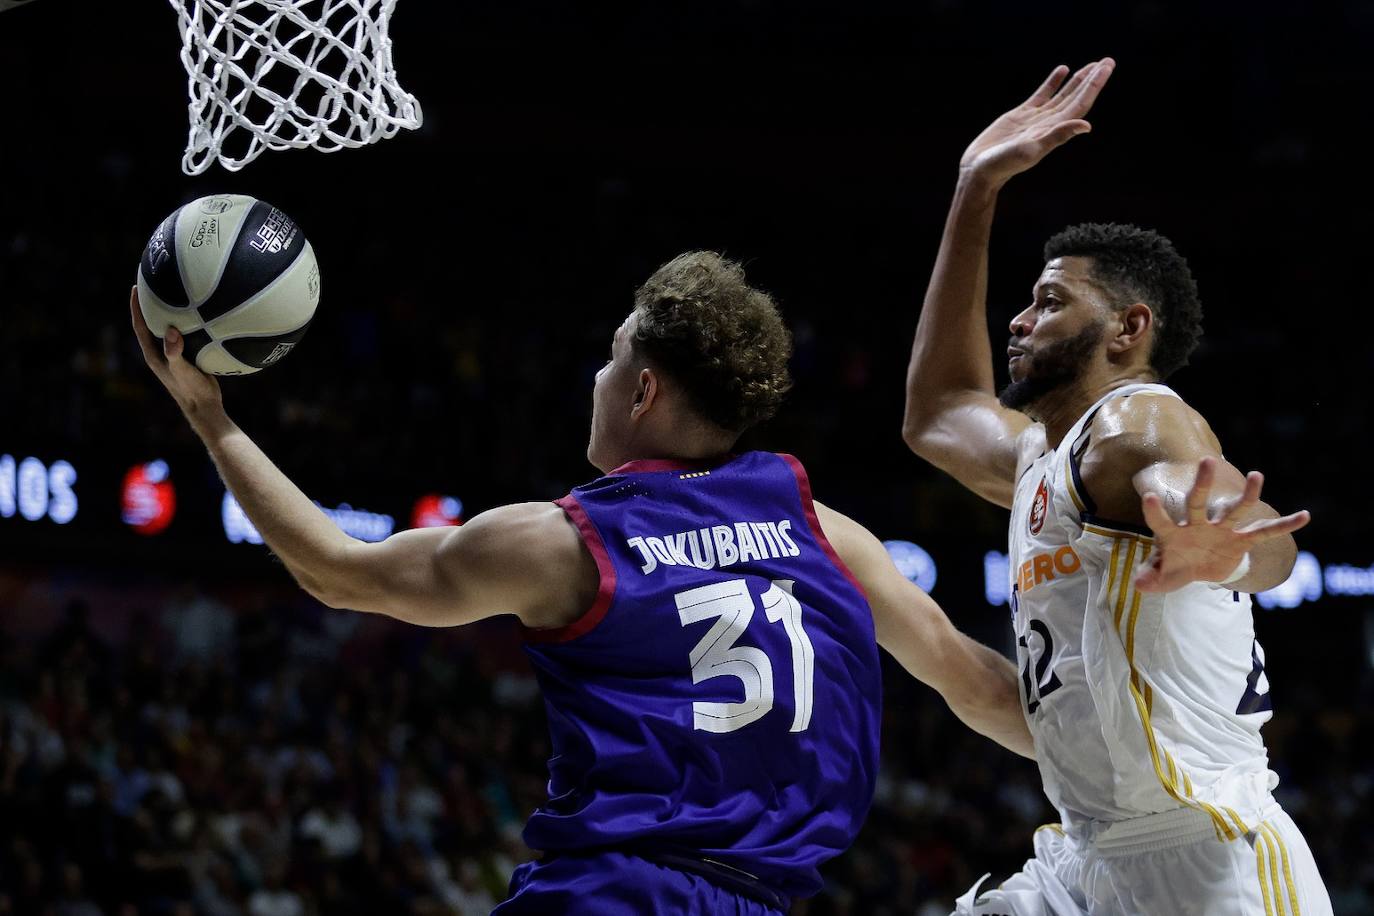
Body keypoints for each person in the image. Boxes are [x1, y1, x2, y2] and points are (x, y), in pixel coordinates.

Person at [131, 251, 1033, 915]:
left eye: (610, 359)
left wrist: (211, 422)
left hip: (612, 894)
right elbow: (978, 684)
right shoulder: (831, 534)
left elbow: (334, 571)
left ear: (642, 393)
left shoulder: (569, 542)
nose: (594, 378)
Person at [901, 58, 1332, 914]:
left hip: (1209, 856)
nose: (1019, 321)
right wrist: (974, 189)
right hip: (1088, 851)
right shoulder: (1041, 455)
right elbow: (942, 411)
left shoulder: (1136, 426)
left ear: (1129, 329)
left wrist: (1222, 549)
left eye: (1051, 301)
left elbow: (1259, 539)